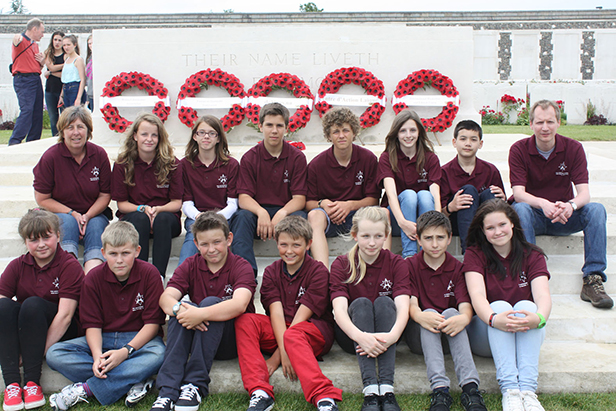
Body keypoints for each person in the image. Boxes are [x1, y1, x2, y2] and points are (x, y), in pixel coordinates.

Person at [46, 221, 166, 410]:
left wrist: (125, 352)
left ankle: (86, 389)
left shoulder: (150, 274)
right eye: (113, 254)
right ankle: (134, 379)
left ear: (137, 251)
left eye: (125, 253)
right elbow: (92, 325)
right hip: (103, 339)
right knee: (55, 354)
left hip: (137, 340)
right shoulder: (93, 278)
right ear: (103, 253)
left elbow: (152, 324)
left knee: (159, 353)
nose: (119, 260)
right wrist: (96, 358)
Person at [509, 99, 612, 309]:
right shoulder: (519, 149)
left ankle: (593, 279)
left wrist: (570, 206)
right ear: (531, 124)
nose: (544, 127)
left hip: (564, 216)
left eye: (549, 121)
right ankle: (529, 274)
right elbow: (518, 193)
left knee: (596, 210)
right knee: (519, 209)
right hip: (535, 216)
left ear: (558, 122)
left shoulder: (573, 148)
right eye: (539, 122)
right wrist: (543, 204)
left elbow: (584, 193)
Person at [235, 216, 343, 411]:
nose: (289, 251)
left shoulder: (318, 271)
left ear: (309, 244)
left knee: (294, 333)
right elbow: (275, 314)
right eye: (283, 244)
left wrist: (279, 356)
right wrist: (284, 350)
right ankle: (260, 391)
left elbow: (300, 319)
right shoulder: (271, 271)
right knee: (245, 320)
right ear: (276, 243)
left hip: (312, 331)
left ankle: (323, 395)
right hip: (281, 330)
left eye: (296, 245)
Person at [151, 211, 256, 411]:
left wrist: (200, 314)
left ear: (229, 239)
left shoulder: (241, 266)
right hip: (200, 337)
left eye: (217, 242)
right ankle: (167, 391)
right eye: (204, 244)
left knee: (207, 304)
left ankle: (194, 385)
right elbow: (166, 298)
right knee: (179, 311)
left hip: (230, 341)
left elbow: (239, 304)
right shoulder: (191, 265)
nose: (211, 249)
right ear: (196, 244)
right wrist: (179, 309)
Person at [464, 200, 552, 411]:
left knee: (527, 307)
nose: (498, 232)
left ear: (512, 223)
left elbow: (543, 296)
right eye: (490, 228)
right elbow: (477, 296)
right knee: (501, 306)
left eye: (502, 224)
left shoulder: (533, 254)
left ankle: (529, 392)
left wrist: (539, 318)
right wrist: (495, 319)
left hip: (524, 331)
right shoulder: (474, 254)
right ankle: (511, 391)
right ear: (483, 231)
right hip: (487, 332)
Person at [0, 209, 83, 411]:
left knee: (32, 304)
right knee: (4, 306)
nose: (42, 245)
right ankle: (11, 384)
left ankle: (32, 383)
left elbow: (65, 317)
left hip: (64, 329)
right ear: (25, 241)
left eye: (47, 237)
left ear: (58, 236)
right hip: (29, 330)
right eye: (34, 240)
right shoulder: (18, 265)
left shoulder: (69, 265)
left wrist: (33, 354)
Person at [330, 206, 410, 411]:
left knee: (385, 303)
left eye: (378, 236)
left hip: (388, 336)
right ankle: (370, 391)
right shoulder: (341, 264)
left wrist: (393, 336)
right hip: (353, 337)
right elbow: (339, 311)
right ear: (355, 235)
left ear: (386, 236)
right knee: (362, 303)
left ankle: (387, 389)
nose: (372, 242)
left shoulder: (396, 263)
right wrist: (361, 337)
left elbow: (402, 306)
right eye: (366, 236)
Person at [406, 211, 487, 411]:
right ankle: (440, 390)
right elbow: (411, 304)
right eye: (428, 238)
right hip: (421, 336)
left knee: (452, 312)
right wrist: (419, 315)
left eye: (440, 238)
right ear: (418, 240)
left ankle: (470, 389)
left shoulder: (458, 268)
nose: (435, 244)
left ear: (450, 238)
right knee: (430, 312)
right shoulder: (409, 265)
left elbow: (464, 305)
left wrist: (465, 318)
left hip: (453, 334)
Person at [33, 106, 112, 274]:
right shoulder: (50, 157)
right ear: (62, 132)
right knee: (67, 223)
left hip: (94, 213)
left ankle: (91, 278)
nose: (76, 132)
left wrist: (87, 216)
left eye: (80, 127)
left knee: (97, 225)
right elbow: (42, 198)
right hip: (61, 213)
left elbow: (105, 194)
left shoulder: (98, 154)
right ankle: (69, 274)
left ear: (88, 131)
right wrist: (73, 213)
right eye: (70, 127)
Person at [232, 102, 308, 275]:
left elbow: (299, 198)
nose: (274, 130)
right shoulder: (250, 158)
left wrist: (282, 213)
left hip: (286, 213)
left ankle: (301, 274)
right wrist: (261, 212)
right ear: (260, 126)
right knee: (241, 218)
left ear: (286, 128)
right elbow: (243, 197)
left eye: (279, 125)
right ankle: (246, 276)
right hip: (257, 217)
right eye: (269, 125)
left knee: (302, 218)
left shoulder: (297, 158)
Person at [111, 112, 183, 278]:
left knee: (162, 219)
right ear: (135, 136)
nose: (149, 139)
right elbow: (122, 204)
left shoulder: (172, 164)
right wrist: (143, 209)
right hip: (134, 215)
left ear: (160, 138)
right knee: (139, 218)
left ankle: (158, 276)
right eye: (144, 134)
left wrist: (157, 210)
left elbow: (176, 202)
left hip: (165, 217)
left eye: (154, 135)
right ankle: (139, 275)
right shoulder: (123, 164)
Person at [306, 107, 379, 267]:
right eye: (336, 131)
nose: (341, 136)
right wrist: (322, 203)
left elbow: (374, 199)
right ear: (329, 136)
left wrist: (349, 205)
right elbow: (309, 202)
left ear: (354, 132)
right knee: (314, 216)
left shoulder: (368, 159)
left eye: (346, 130)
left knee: (378, 215)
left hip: (358, 216)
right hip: (330, 217)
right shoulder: (316, 165)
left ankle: (371, 269)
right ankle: (321, 273)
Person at [379, 110, 441, 258]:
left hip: (424, 218)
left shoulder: (430, 158)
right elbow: (391, 194)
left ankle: (428, 252)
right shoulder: (387, 157)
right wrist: (403, 222)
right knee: (409, 195)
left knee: (425, 195)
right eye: (403, 131)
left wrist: (437, 220)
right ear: (396, 134)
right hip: (396, 217)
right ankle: (410, 255)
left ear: (419, 132)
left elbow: (435, 193)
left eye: (412, 130)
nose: (408, 135)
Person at [179, 115, 239, 266]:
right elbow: (186, 203)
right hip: (196, 216)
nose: (206, 137)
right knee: (193, 236)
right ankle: (180, 280)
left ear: (218, 138)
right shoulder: (184, 165)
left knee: (227, 237)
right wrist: (199, 216)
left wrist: (216, 218)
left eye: (212, 133)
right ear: (195, 136)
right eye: (202, 133)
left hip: (225, 216)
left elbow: (233, 203)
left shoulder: (231, 164)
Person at [440, 120, 505, 254]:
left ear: (480, 144)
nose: (468, 143)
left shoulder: (491, 170)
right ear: (454, 142)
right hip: (458, 224)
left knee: (492, 194)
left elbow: (504, 211)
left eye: (473, 139)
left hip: (485, 224)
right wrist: (450, 207)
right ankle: (469, 253)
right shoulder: (444, 173)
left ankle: (496, 250)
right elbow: (438, 213)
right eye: (463, 139)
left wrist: (502, 201)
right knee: (468, 190)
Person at [8, 18, 45, 146]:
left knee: (37, 111)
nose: (43, 34)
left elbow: (36, 66)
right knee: (27, 110)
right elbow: (16, 41)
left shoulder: (34, 45)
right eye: (41, 31)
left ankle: (33, 141)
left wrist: (42, 62)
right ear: (34, 29)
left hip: (35, 78)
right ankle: (15, 141)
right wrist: (16, 37)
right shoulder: (21, 41)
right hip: (24, 79)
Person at [43, 31, 65, 136]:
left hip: (63, 90)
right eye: (55, 39)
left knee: (65, 117)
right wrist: (64, 66)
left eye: (59, 40)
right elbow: (50, 67)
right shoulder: (49, 53)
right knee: (53, 118)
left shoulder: (66, 54)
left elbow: (65, 76)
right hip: (50, 90)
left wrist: (51, 73)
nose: (57, 42)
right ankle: (54, 139)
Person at [59, 35, 86, 108]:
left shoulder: (78, 59)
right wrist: (61, 95)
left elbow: (83, 79)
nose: (66, 47)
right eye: (64, 45)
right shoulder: (66, 59)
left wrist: (78, 98)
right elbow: (65, 79)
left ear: (74, 45)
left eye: (68, 45)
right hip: (66, 89)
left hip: (75, 88)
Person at [85, 34, 93, 111]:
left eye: (92, 43)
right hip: (90, 92)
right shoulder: (89, 58)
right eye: (89, 43)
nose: (90, 45)